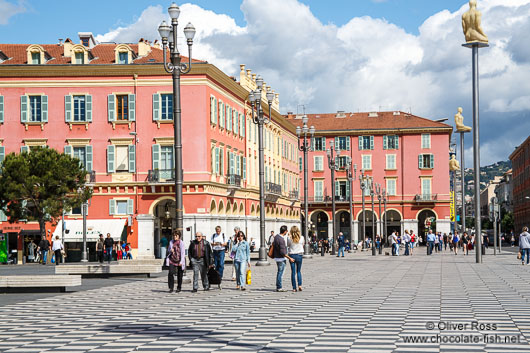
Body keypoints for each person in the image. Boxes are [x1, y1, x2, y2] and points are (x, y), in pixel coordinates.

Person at [272, 225, 294, 292]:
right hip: (281, 258)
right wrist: (289, 258)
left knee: (279, 272)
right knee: (280, 273)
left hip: (277, 257)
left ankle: (278, 286)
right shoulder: (281, 239)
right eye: (287, 231)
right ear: (285, 231)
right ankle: (279, 287)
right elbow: (282, 252)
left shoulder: (276, 237)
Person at [288, 226, 304, 292]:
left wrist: (289, 236)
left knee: (293, 272)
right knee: (299, 271)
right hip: (299, 255)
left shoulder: (289, 238)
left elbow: (288, 245)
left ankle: (294, 288)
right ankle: (300, 285)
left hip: (292, 255)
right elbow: (302, 245)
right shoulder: (302, 237)